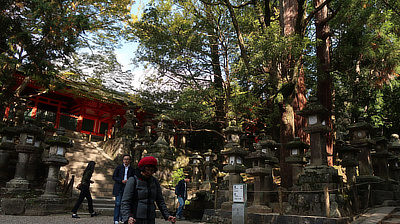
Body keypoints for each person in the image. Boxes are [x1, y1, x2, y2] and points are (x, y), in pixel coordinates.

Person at [121, 156, 176, 224]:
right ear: (142, 169)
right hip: (135, 217)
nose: (150, 172)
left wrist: (167, 215)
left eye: (152, 170)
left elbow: (160, 200)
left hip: (150, 217)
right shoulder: (133, 180)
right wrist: (128, 217)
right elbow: (125, 201)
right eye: (147, 170)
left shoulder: (154, 181)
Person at [112, 154, 134, 224]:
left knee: (125, 204)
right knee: (118, 203)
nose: (126, 160)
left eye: (127, 159)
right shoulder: (119, 168)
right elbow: (114, 176)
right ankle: (116, 219)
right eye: (125, 159)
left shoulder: (132, 169)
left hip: (127, 187)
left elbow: (134, 177)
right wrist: (121, 180)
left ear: (130, 160)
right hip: (119, 186)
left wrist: (129, 181)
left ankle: (123, 218)